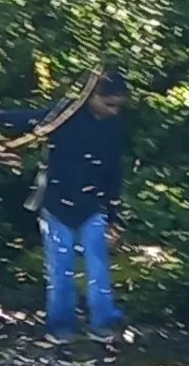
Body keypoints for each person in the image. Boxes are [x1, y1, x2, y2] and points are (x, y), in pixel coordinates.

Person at [37, 66, 127, 334]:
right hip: (57, 204)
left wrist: (113, 216)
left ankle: (104, 322)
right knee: (60, 270)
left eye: (118, 107)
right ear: (92, 96)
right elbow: (33, 119)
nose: (113, 111)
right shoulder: (65, 114)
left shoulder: (114, 129)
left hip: (93, 206)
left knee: (99, 269)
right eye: (109, 104)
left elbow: (114, 173)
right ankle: (60, 325)